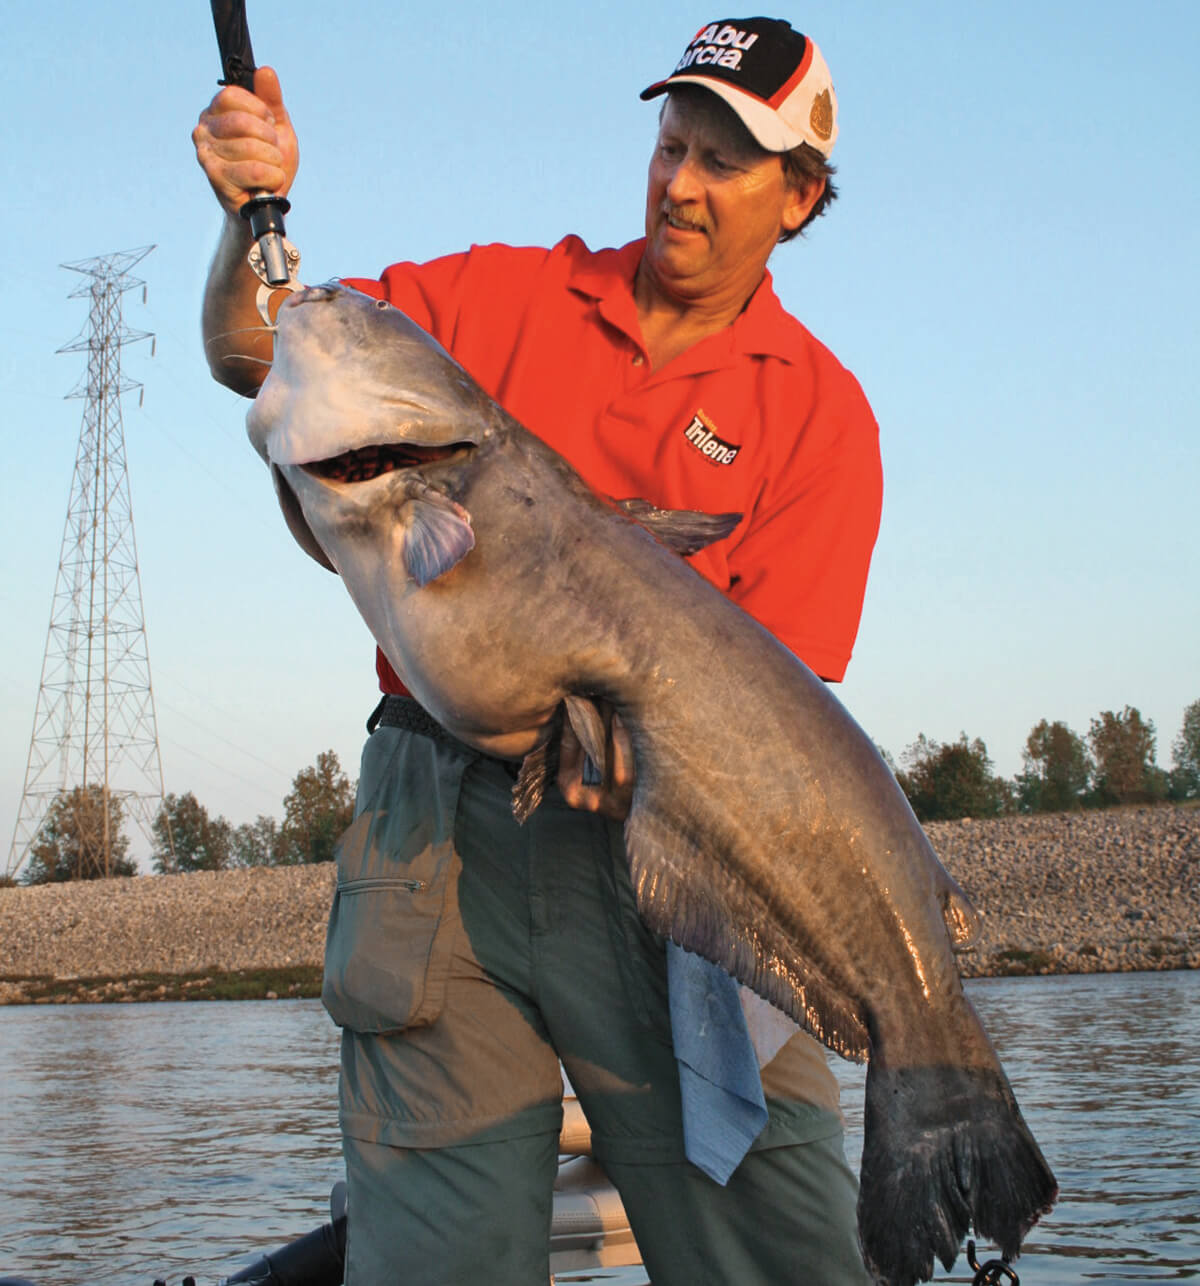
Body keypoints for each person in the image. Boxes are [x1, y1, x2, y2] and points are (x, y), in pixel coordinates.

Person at [194, 17, 882, 1285]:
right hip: (436, 834)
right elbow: (266, 346)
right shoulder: (502, 294)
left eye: (723, 163)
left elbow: (770, 714)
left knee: (787, 1254)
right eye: (670, 141)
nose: (677, 182)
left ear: (800, 196)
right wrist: (250, 216)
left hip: (678, 859)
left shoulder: (820, 415)